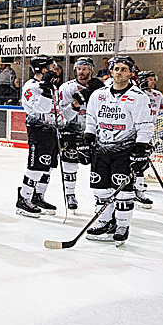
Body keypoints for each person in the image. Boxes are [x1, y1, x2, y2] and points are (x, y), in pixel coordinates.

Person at [84, 56, 155, 246]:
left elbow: (144, 125)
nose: (119, 72)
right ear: (111, 71)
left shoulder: (138, 97)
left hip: (124, 151)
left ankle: (122, 226)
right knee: (100, 189)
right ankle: (105, 222)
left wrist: (141, 149)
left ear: (131, 73)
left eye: (124, 69)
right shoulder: (98, 95)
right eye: (116, 69)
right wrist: (87, 139)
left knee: (123, 191)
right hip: (101, 149)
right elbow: (91, 119)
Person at [15, 56, 64, 218]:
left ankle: (38, 196)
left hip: (53, 130)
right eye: (51, 66)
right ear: (42, 69)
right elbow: (40, 108)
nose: (54, 69)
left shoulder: (52, 86)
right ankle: (23, 199)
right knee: (36, 167)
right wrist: (46, 88)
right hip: (38, 130)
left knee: (48, 167)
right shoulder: (31, 86)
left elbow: (55, 108)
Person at [55, 58, 104, 212]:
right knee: (69, 165)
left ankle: (100, 198)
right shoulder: (66, 88)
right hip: (72, 131)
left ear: (91, 70)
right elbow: (63, 115)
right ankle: (70, 194)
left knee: (99, 166)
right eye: (79, 69)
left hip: (94, 132)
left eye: (85, 69)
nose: (81, 72)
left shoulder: (101, 88)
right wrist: (78, 102)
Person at [134, 70, 163, 208]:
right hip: (134, 130)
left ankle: (137, 184)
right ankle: (137, 187)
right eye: (150, 79)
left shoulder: (157, 94)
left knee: (144, 160)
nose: (153, 82)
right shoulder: (134, 93)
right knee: (136, 160)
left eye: (154, 79)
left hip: (148, 130)